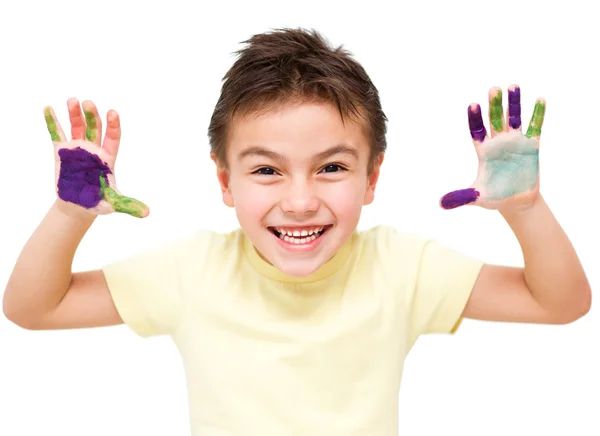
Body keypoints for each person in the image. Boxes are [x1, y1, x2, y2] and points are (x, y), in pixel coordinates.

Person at [2, 28, 591, 435]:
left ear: (371, 177)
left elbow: (560, 302)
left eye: (332, 167)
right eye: (266, 170)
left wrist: (525, 209)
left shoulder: (401, 267)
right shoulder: (192, 270)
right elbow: (33, 308)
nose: (301, 200)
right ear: (225, 182)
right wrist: (69, 215)